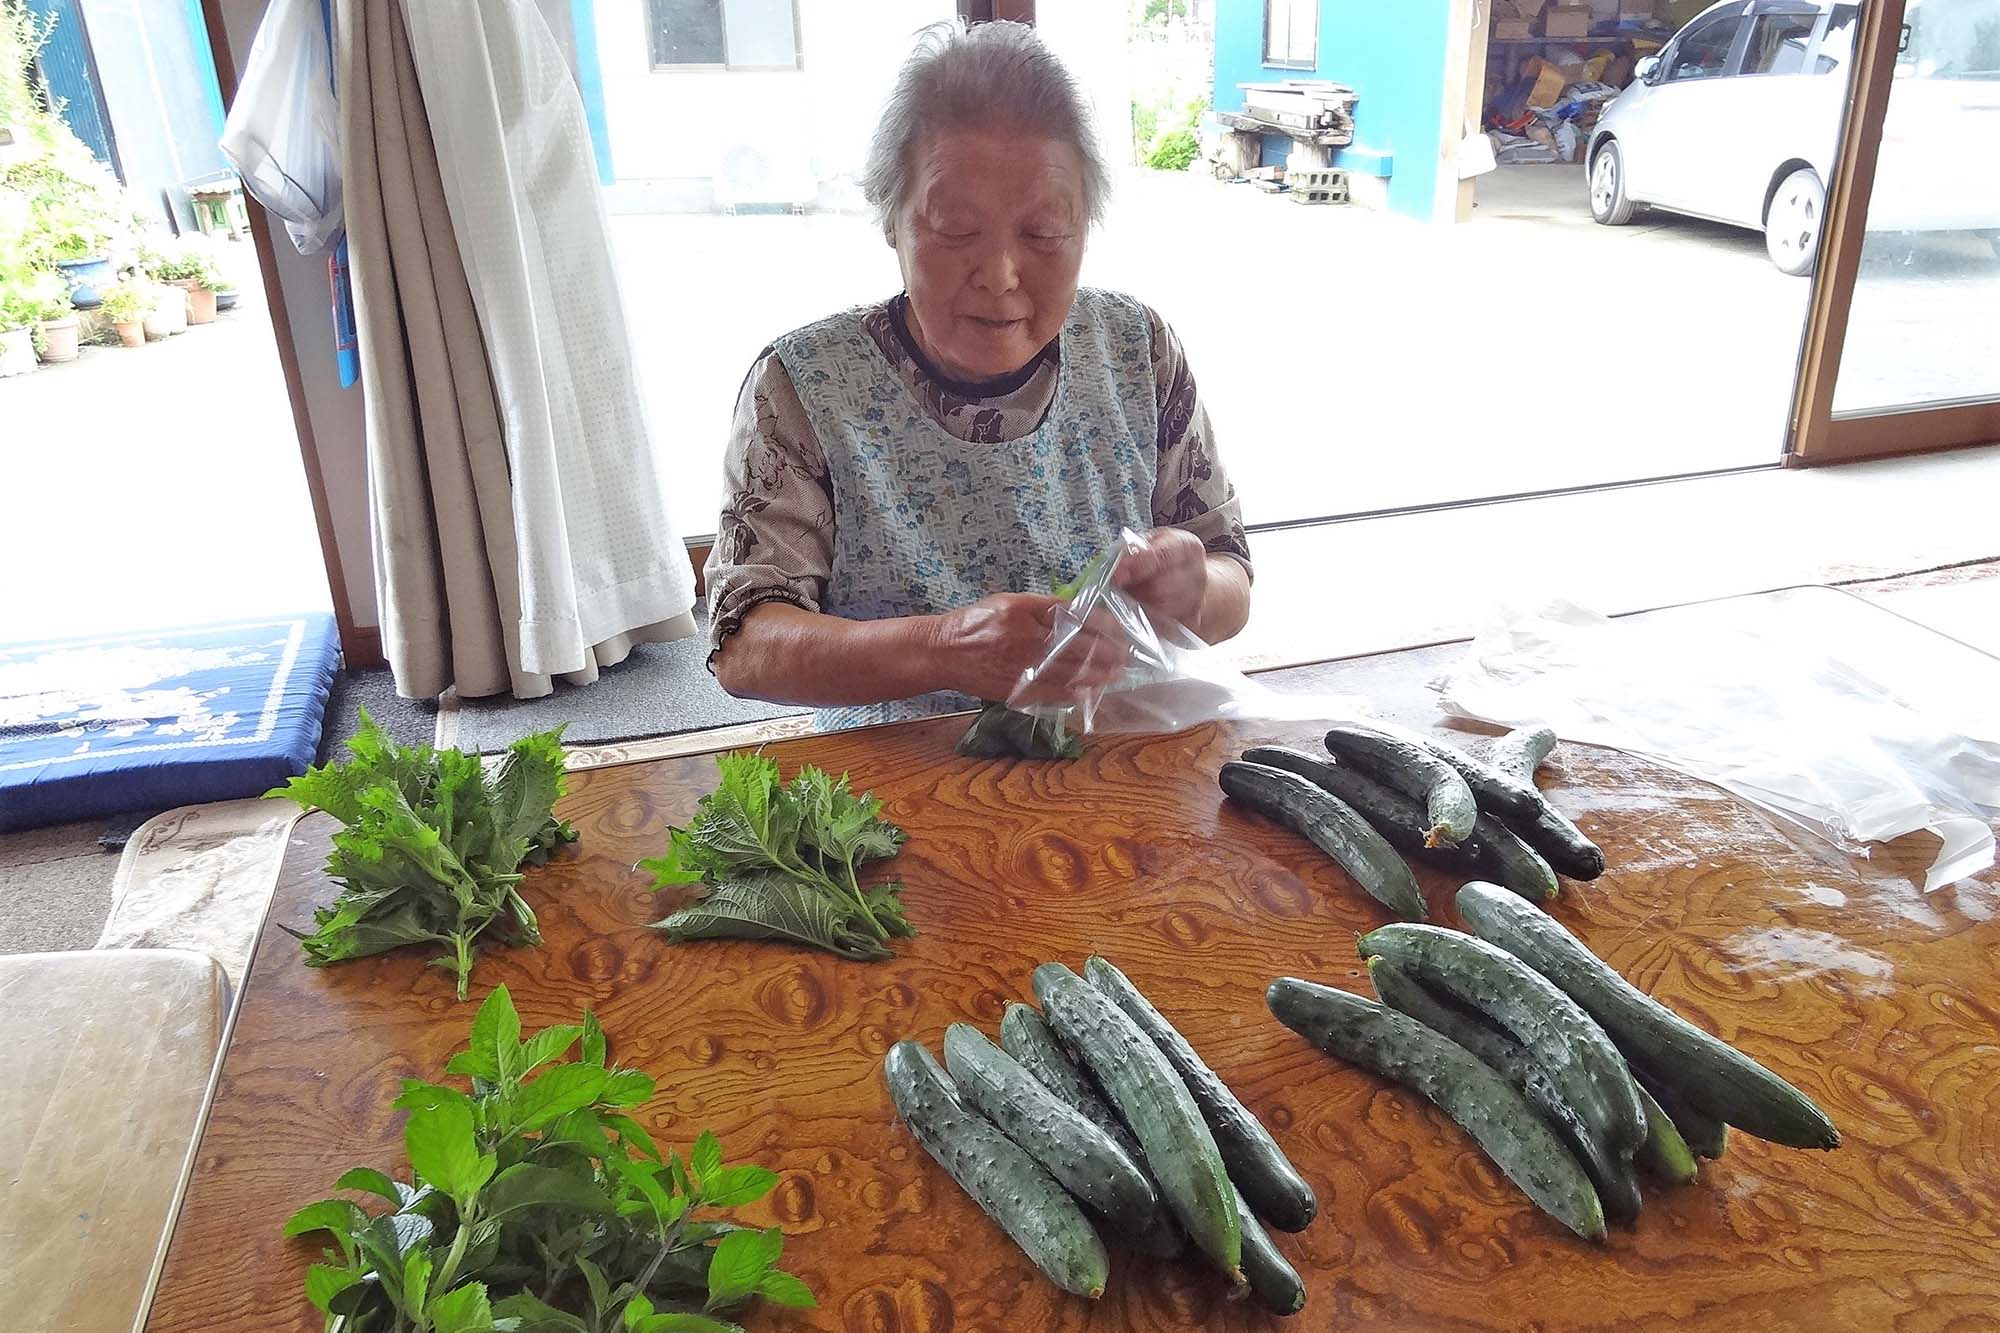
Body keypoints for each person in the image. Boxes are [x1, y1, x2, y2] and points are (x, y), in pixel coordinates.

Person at [704, 20, 1252, 730]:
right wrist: (945, 646)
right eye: (957, 230)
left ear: (1086, 225)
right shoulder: (804, 386)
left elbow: (1231, 574)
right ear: (891, 220)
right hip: (895, 784)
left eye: (1044, 234)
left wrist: (1194, 591)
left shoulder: (1137, 351)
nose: (999, 276)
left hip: (1122, 759)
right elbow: (743, 643)